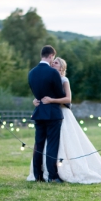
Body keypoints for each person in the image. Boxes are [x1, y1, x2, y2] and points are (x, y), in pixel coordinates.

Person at [26, 57, 101, 184]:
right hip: (49, 113)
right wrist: (36, 100)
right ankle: (46, 173)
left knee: (64, 142)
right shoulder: (49, 76)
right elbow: (41, 93)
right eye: (53, 62)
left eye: (55, 63)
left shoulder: (63, 80)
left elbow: (68, 99)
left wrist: (52, 100)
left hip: (61, 113)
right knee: (47, 144)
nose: (52, 64)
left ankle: (61, 171)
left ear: (61, 67)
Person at [28, 45, 66, 183]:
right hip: (52, 114)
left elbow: (36, 93)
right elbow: (60, 94)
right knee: (52, 145)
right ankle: (52, 176)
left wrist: (37, 100)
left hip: (38, 112)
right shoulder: (53, 73)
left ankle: (38, 175)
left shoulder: (31, 73)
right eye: (53, 58)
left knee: (38, 144)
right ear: (51, 56)